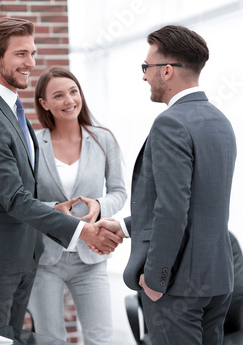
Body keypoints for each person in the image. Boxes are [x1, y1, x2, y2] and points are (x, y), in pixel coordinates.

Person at [0, 17, 123, 330]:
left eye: (32, 53)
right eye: (20, 54)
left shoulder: (12, 111)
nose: (30, 63)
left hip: (22, 257)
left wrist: (55, 211)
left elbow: (25, 191)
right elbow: (15, 199)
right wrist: (82, 230)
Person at [96, 25, 237, 345]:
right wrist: (125, 226)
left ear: (168, 71)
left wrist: (157, 279)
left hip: (177, 285)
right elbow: (198, 203)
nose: (144, 76)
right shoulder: (221, 121)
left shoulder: (170, 122)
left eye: (147, 67)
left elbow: (173, 209)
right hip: (217, 281)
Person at [27, 66, 127, 344]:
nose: (69, 100)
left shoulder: (103, 139)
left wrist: (98, 204)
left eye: (73, 92)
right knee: (49, 339)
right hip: (46, 258)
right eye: (58, 96)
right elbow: (26, 201)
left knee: (100, 338)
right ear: (44, 104)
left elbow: (119, 192)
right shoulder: (34, 145)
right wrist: (54, 210)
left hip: (91, 257)